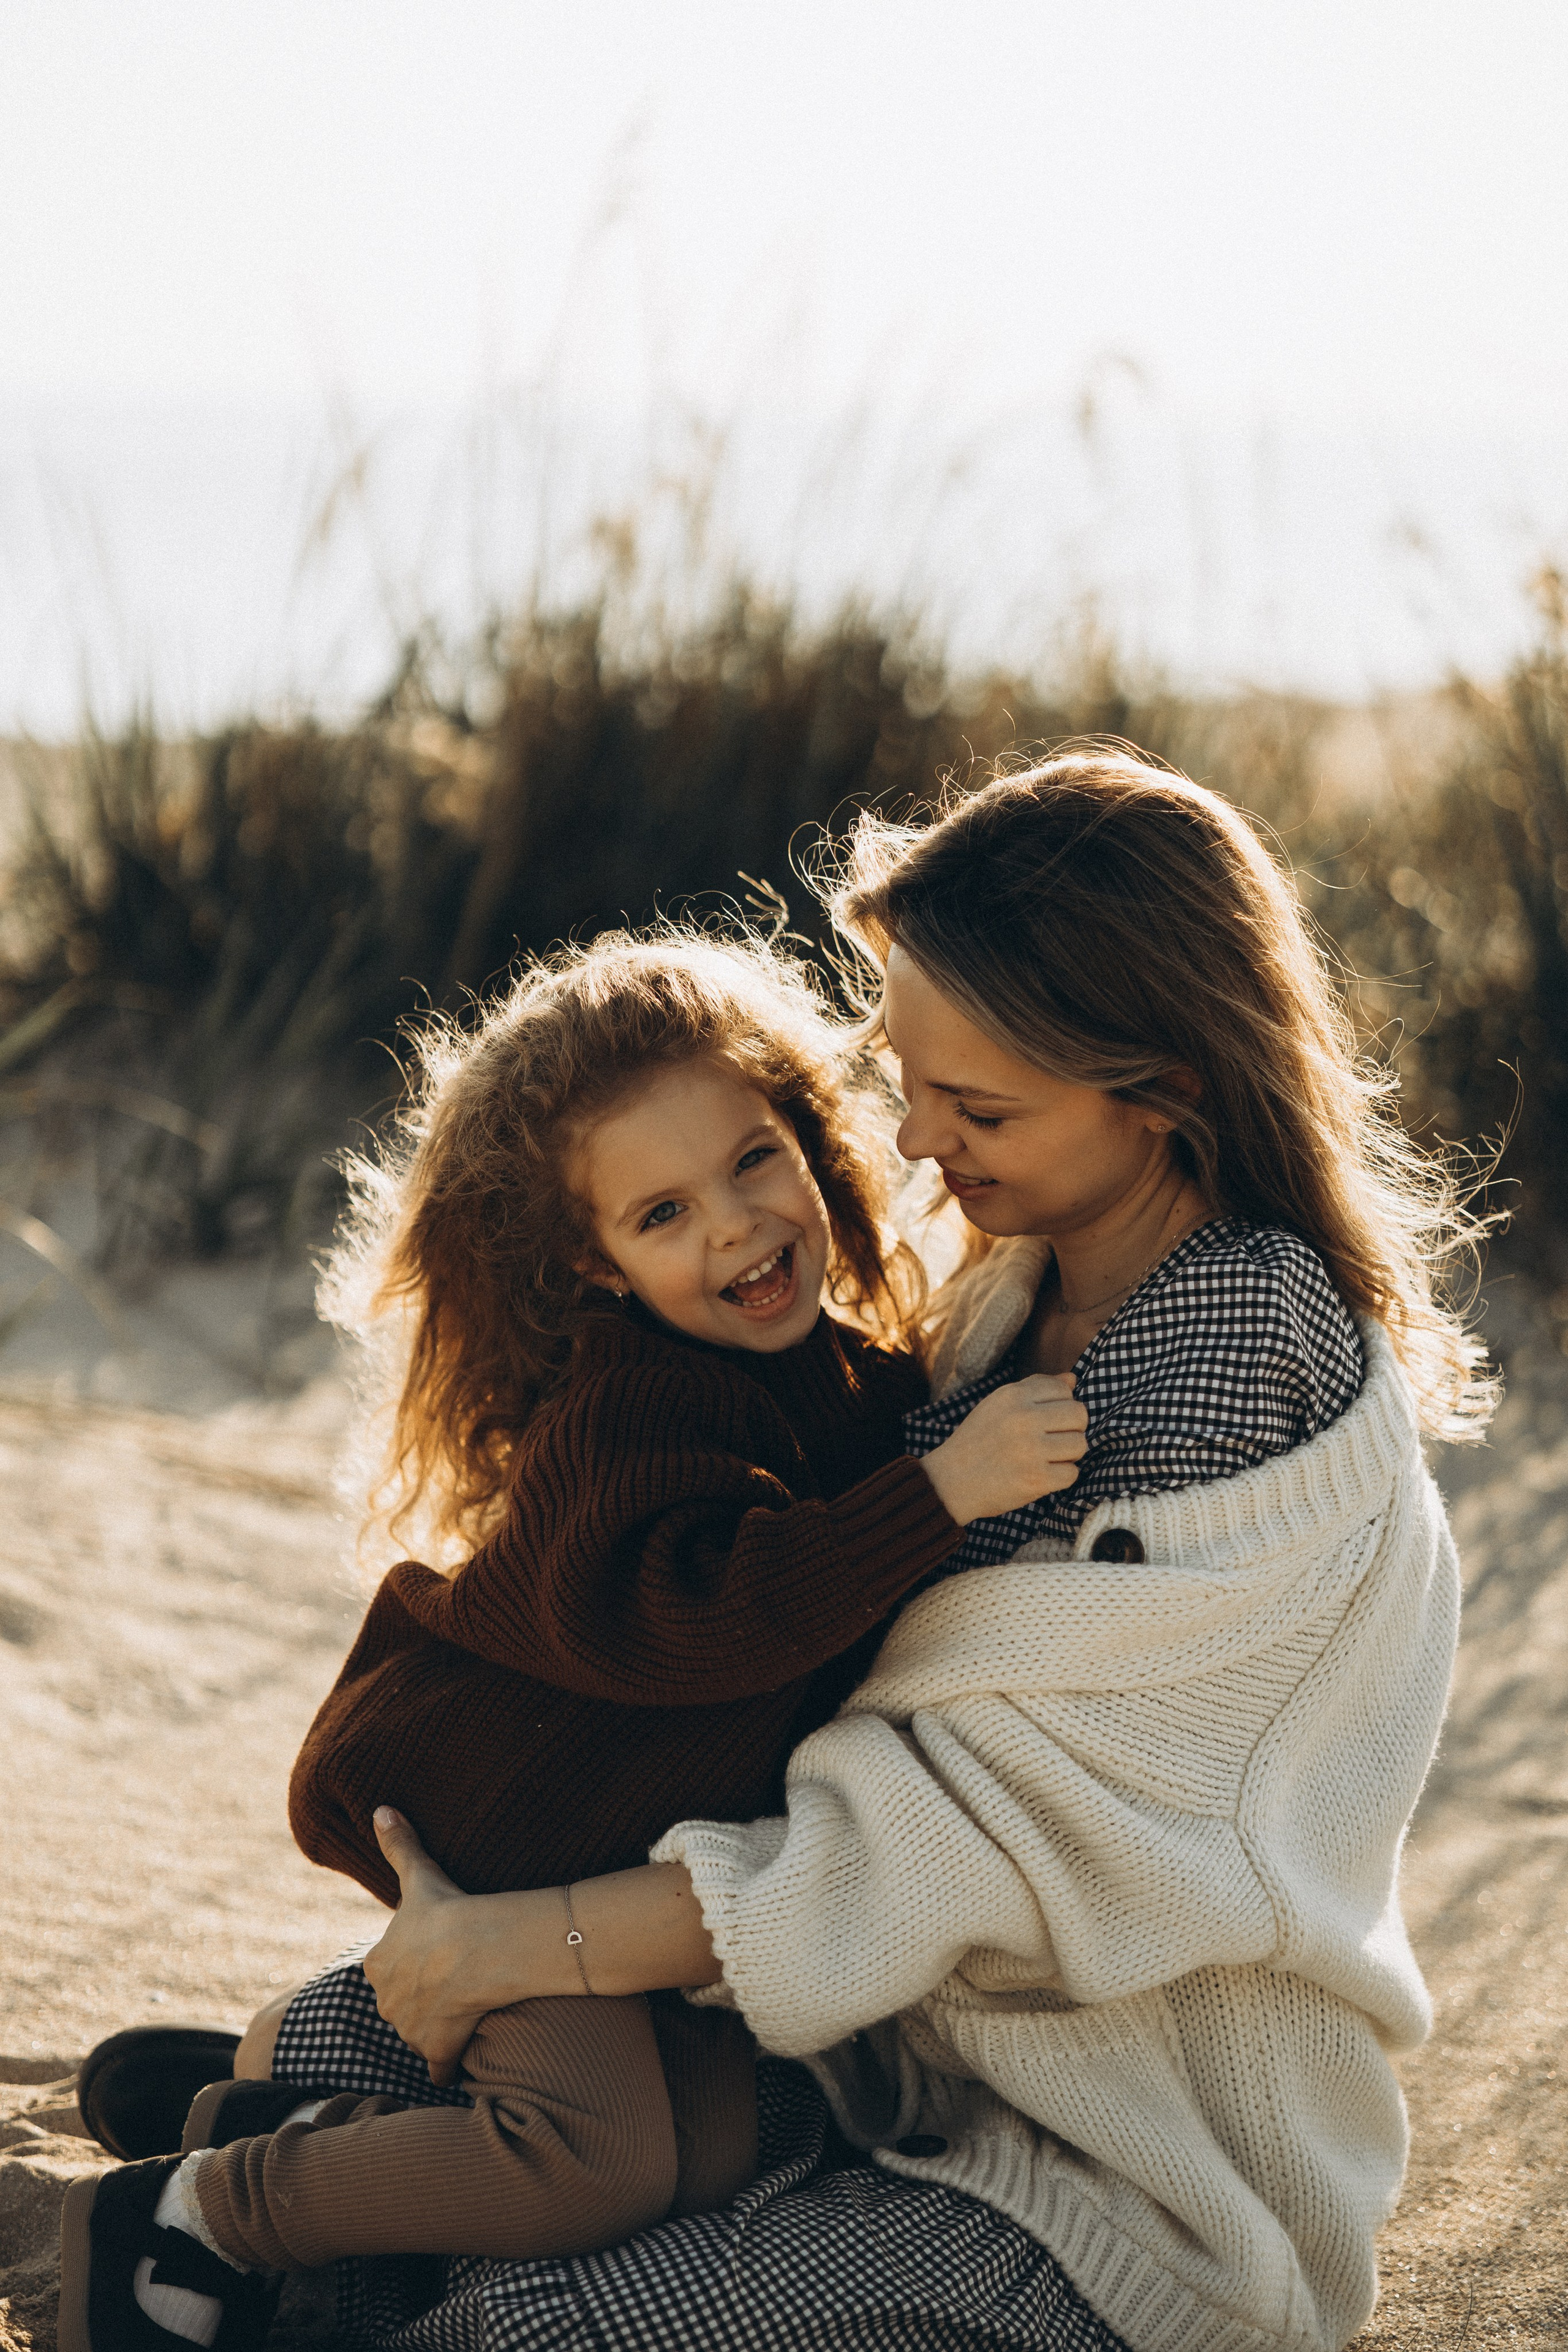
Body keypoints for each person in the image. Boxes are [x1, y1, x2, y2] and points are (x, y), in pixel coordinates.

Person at [252, 752, 1487, 2352]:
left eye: (975, 1109)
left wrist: (519, 1937)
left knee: (525, 2320)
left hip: (1128, 2164)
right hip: (886, 2050)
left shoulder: (1237, 1347)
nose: (911, 1141)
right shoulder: (1011, 1296)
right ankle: (247, 2210)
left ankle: (269, 2236)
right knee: (337, 2050)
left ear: (1163, 1084)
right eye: (906, 1079)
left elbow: (965, 1836)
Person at [58, 931, 1089, 2352]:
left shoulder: (837, 1374)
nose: (732, 1227)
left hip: (630, 1860)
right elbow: (696, 1623)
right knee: (591, 2162)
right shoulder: (634, 1404)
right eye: (658, 1214)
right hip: (526, 1843)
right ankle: (206, 2213)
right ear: (595, 1268)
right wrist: (938, 1495)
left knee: (724, 2145)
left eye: (752, 1161)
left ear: (810, 1140)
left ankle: (320, 2114)